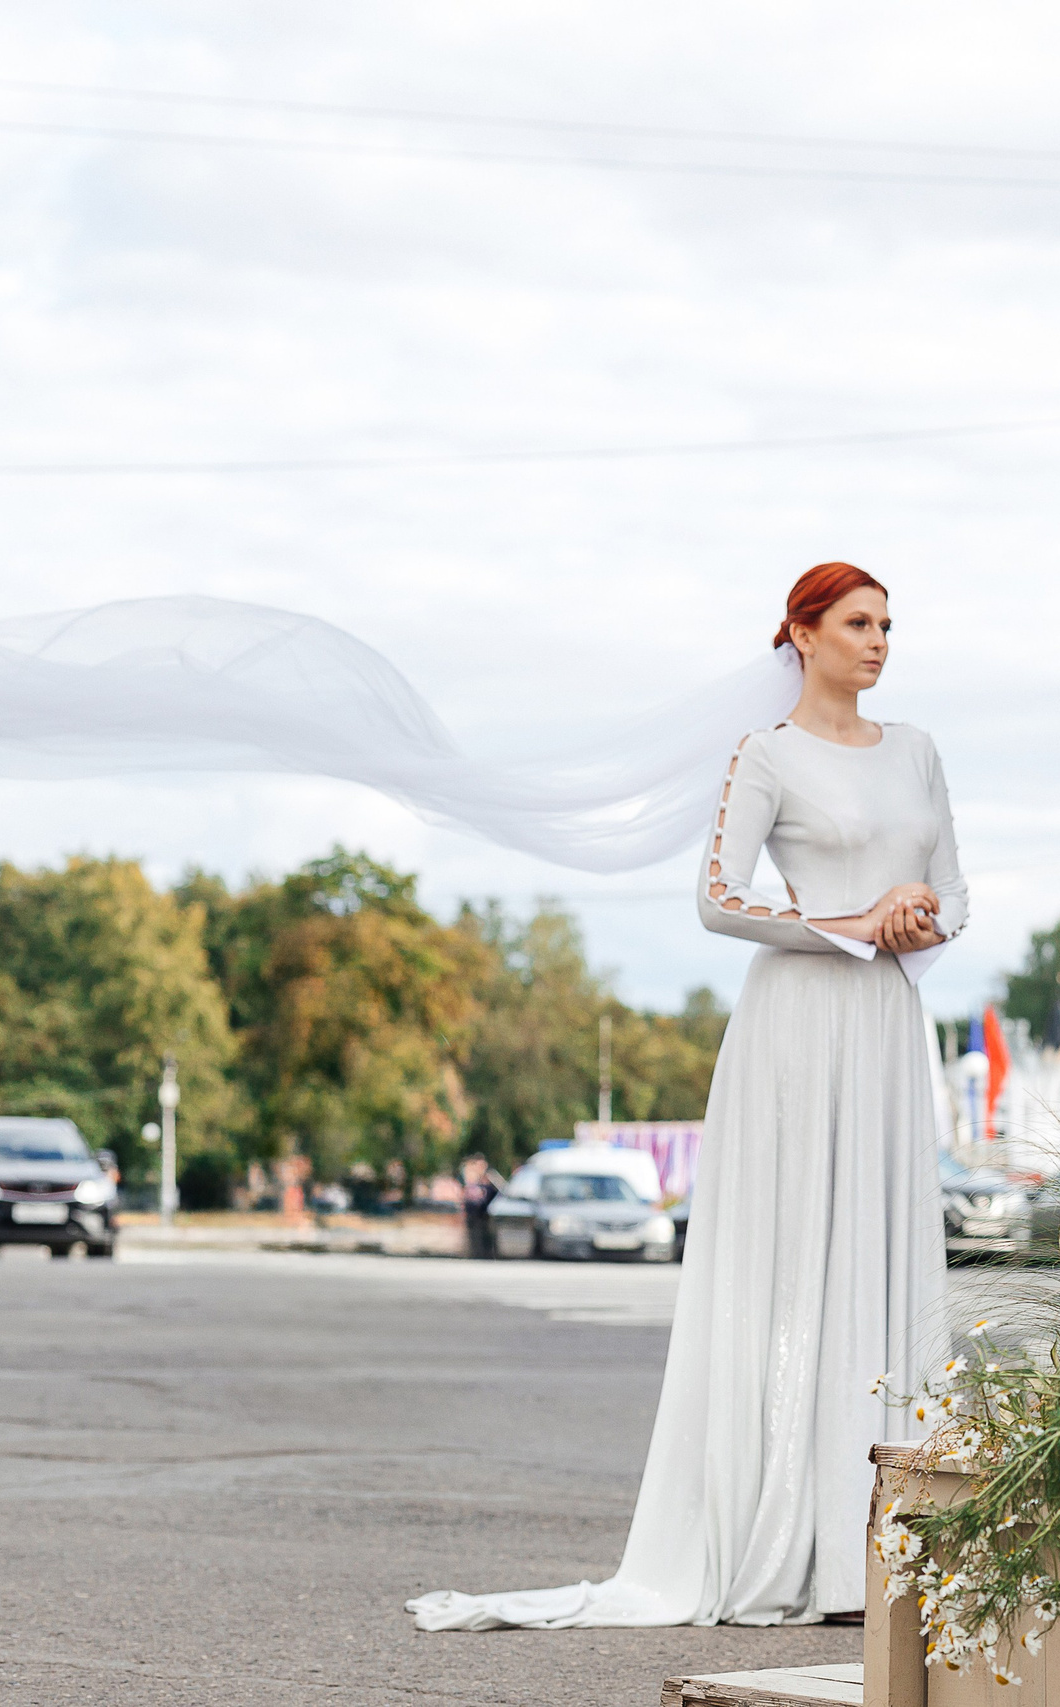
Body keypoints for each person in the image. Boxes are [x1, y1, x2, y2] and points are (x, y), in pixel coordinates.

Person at [409, 562, 965, 1630]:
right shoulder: (764, 756)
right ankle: (786, 1535)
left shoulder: (921, 753)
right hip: (797, 1022)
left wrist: (917, 920)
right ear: (802, 635)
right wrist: (853, 923)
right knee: (794, 1259)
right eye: (857, 622)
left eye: (888, 624)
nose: (879, 641)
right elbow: (715, 899)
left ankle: (882, 1546)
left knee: (882, 1251)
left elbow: (958, 892)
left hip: (890, 1025)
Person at [458, 1155, 505, 1260]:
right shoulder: (470, 1176)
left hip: (485, 1211)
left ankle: (486, 1254)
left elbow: (501, 1188)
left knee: (486, 1233)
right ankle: (474, 1253)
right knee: (473, 1233)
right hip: (472, 1210)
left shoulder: (490, 1177)